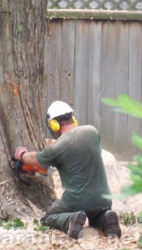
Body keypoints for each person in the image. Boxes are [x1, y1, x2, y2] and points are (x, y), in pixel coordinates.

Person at [13, 100, 121, 239]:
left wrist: (21, 154)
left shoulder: (57, 147)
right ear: (73, 118)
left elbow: (34, 160)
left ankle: (71, 219)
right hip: (104, 200)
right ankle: (106, 218)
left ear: (54, 124)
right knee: (95, 218)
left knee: (49, 216)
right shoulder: (92, 132)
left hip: (76, 201)